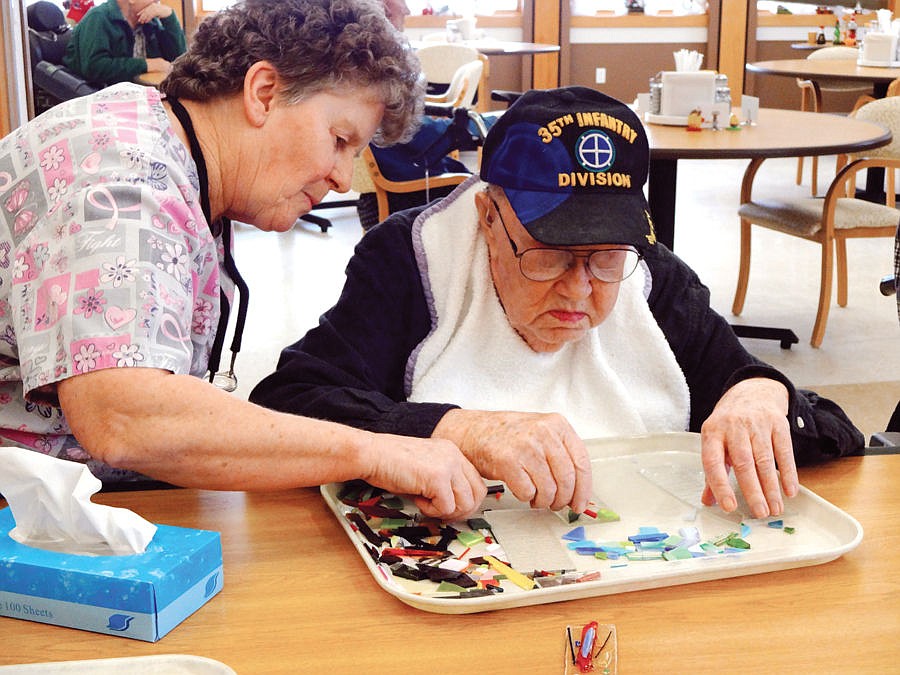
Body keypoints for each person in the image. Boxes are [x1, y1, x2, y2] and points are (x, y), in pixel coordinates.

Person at [250, 87, 865, 520]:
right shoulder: (412, 262)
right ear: (489, 217)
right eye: (547, 254)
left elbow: (832, 429)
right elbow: (289, 403)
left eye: (603, 259)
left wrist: (763, 394)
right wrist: (458, 427)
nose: (579, 287)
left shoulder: (650, 277)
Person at [0, 0, 485, 521]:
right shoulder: (119, 177)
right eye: (340, 140)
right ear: (264, 92)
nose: (344, 178)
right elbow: (124, 417)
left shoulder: (171, 149)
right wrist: (374, 448)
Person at [63, 0, 187, 86]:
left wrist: (170, 18)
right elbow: (94, 67)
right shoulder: (97, 18)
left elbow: (178, 60)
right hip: (101, 97)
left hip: (141, 93)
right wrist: (148, 64)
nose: (157, 3)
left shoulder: (150, 20)